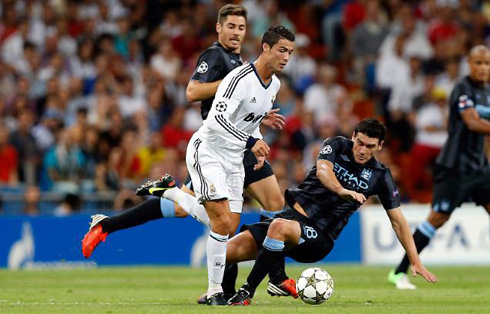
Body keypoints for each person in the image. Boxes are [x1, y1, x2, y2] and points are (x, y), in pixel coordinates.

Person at [200, 118, 437, 306]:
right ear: (353, 136)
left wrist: (415, 260)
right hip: (291, 219)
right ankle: (226, 293)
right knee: (223, 253)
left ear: (380, 146)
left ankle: (246, 292)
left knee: (278, 226)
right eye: (360, 142)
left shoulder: (380, 176)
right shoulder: (336, 144)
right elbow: (323, 171)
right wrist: (341, 190)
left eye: (370, 146)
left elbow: (398, 221)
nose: (363, 150)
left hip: (319, 236)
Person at [389, 45, 490, 290]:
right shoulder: (462, 89)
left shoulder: (487, 91)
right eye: (478, 63)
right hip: (454, 168)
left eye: (487, 63)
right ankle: (399, 272)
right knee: (437, 218)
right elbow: (473, 122)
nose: (483, 68)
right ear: (469, 63)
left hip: (479, 167)